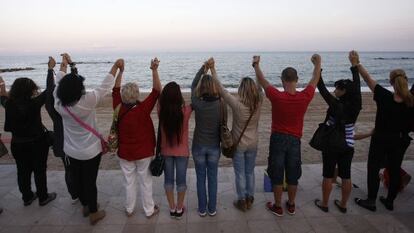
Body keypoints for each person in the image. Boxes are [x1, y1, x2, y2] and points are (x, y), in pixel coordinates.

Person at [54, 53, 121, 225]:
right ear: (79, 89)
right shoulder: (88, 101)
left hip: (71, 149)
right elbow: (105, 86)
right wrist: (116, 65)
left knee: (78, 178)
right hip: (91, 150)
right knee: (90, 182)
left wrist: (64, 64)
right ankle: (93, 212)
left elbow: (59, 81)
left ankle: (85, 204)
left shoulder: (59, 104)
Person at [253, 54, 322, 216]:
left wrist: (256, 65)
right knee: (293, 174)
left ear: (282, 79)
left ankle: (278, 206)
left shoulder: (277, 96)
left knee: (277, 174)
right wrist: (318, 63)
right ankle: (291, 205)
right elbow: (314, 79)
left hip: (277, 139)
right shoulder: (304, 96)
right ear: (296, 79)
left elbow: (262, 81)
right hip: (294, 141)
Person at [354, 57, 414, 211]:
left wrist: (356, 63)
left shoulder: (384, 95)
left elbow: (367, 78)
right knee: (394, 170)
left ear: (391, 82)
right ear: (406, 81)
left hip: (380, 138)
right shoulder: (411, 100)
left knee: (373, 168)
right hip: (400, 140)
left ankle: (371, 201)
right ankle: (389, 201)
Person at [208, 57, 263, 212]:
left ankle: (242, 200)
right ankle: (250, 198)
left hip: (238, 144)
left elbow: (221, 89)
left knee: (239, 173)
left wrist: (213, 69)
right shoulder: (259, 102)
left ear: (241, 90)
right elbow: (260, 87)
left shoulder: (237, 105)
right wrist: (256, 66)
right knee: (249, 172)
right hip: (254, 143)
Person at [112, 58, 161, 218]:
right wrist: (154, 70)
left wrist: (121, 71)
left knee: (129, 182)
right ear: (137, 94)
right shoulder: (143, 109)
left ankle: (129, 208)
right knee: (146, 182)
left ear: (123, 96)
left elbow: (115, 89)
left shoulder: (118, 108)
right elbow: (156, 91)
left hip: (125, 153)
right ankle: (148, 209)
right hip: (144, 152)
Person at [313, 51, 362, 213]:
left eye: (337, 89)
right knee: (346, 176)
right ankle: (343, 204)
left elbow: (321, 88)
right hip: (348, 144)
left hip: (332, 143)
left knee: (328, 174)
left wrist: (318, 67)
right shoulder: (356, 104)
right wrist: (354, 65)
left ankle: (325, 203)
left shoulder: (336, 105)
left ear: (343, 91)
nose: (334, 91)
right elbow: (357, 84)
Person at [0, 72, 56, 207]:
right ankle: (43, 197)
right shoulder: (35, 103)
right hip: (37, 143)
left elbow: (2, 96)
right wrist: (50, 70)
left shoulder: (9, 104)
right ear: (29, 90)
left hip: (17, 144)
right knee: (39, 170)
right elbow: (50, 88)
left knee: (22, 171)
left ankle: (27, 197)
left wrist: (2, 85)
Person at [44, 56, 78, 204]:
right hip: (71, 143)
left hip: (65, 143)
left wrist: (51, 70)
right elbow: (75, 85)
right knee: (75, 170)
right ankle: (78, 195)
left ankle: (75, 194)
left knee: (69, 170)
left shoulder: (53, 108)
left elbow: (50, 90)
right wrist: (71, 65)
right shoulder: (72, 104)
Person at [191, 60, 222, 217]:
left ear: (201, 88)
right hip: (215, 147)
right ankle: (212, 208)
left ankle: (202, 209)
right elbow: (220, 88)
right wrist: (212, 69)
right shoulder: (220, 103)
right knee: (213, 178)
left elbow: (193, 85)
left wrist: (203, 68)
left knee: (200, 178)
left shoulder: (197, 103)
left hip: (198, 146)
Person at [158, 81, 192, 219]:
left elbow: (158, 93)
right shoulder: (186, 111)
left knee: (168, 181)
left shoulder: (161, 110)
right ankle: (179, 208)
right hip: (182, 153)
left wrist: (154, 70)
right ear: (179, 96)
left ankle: (172, 208)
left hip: (166, 152)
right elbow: (195, 96)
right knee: (181, 182)